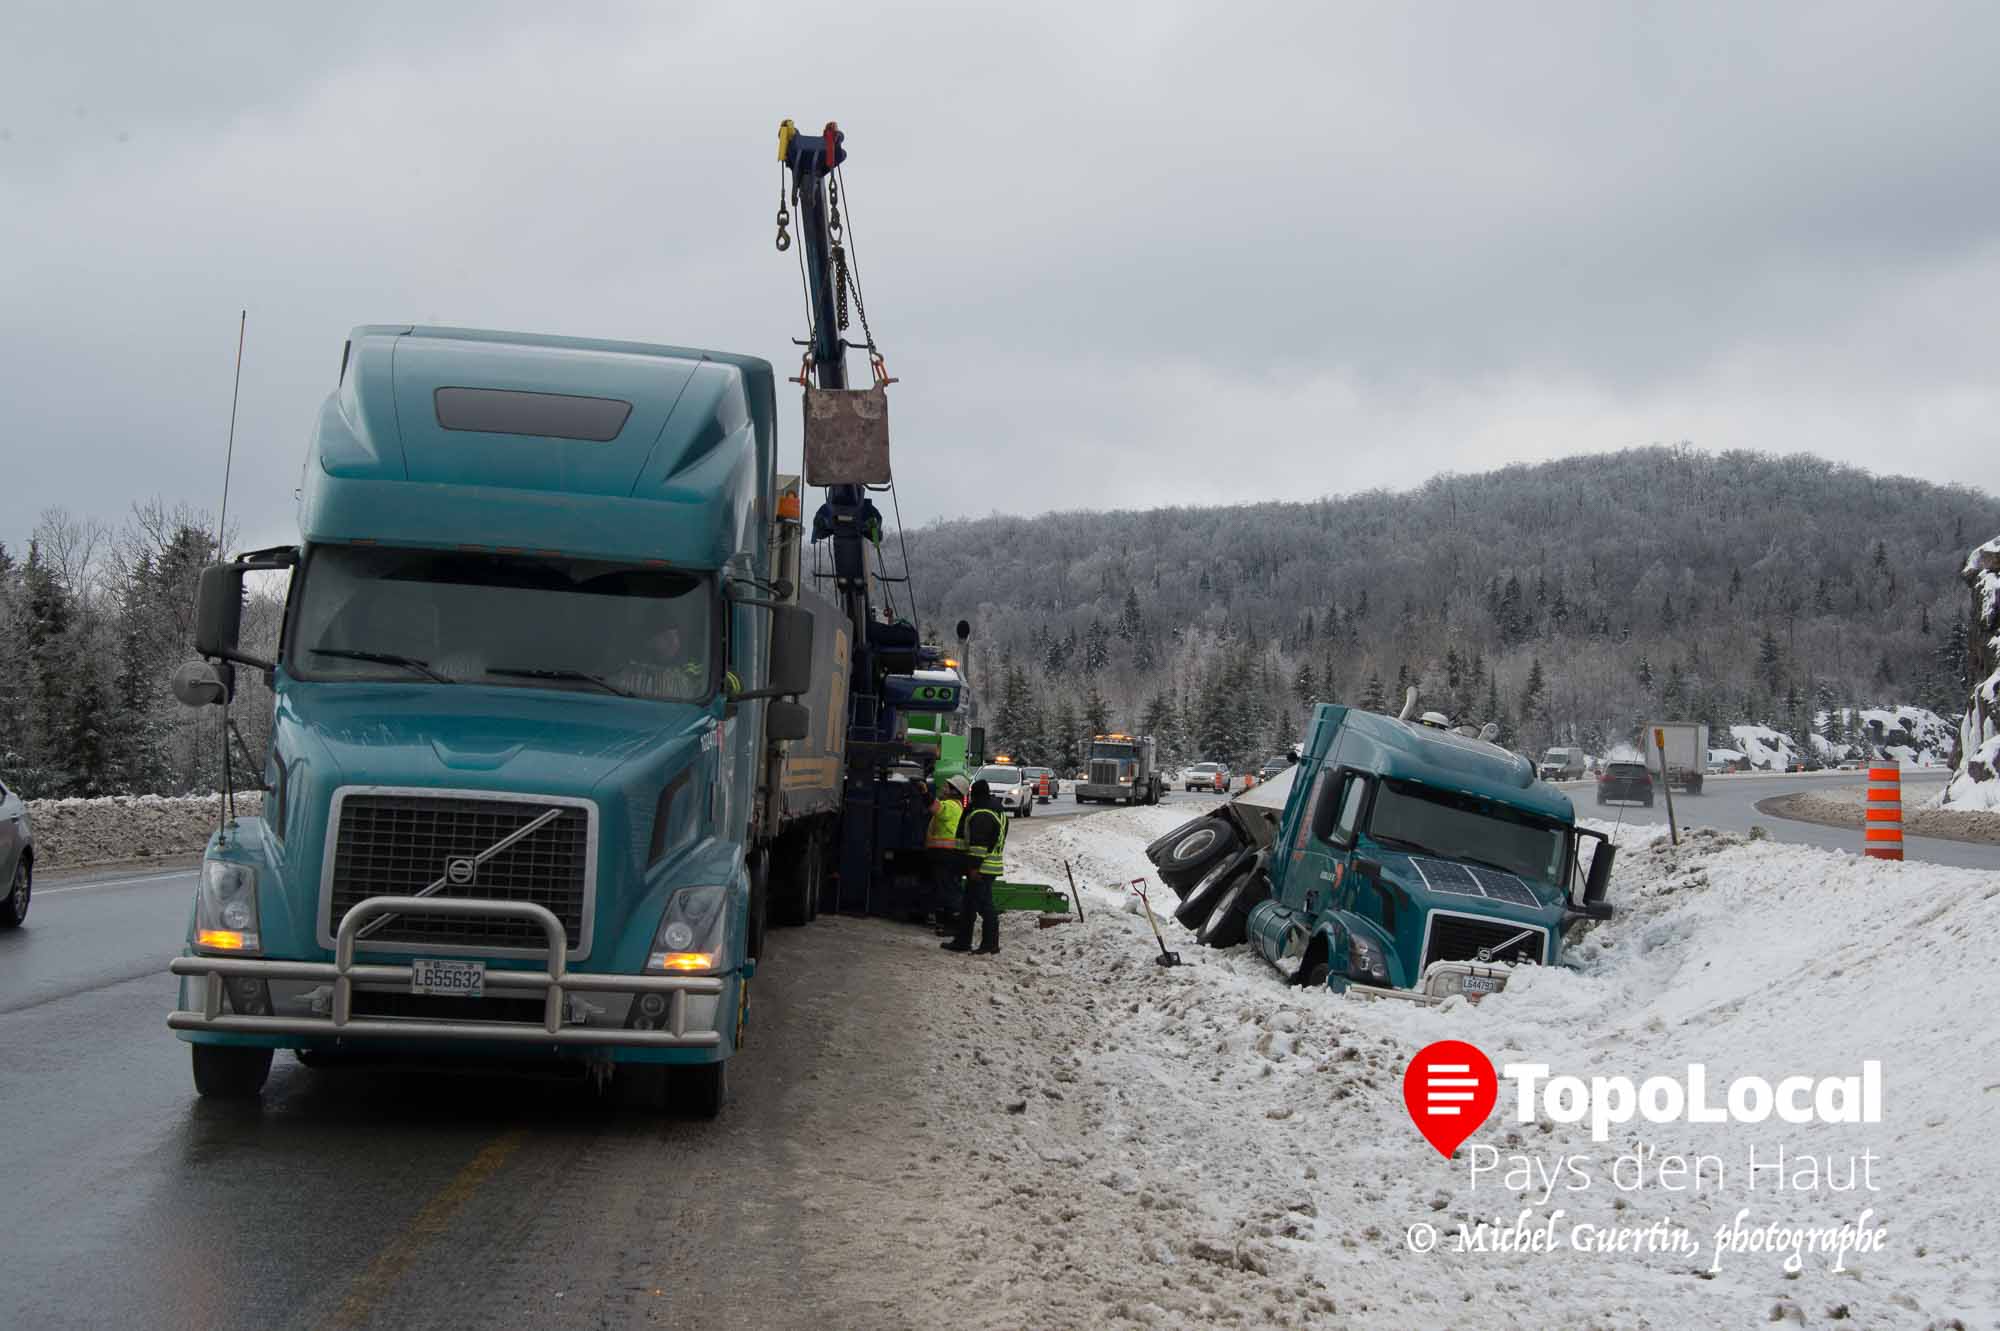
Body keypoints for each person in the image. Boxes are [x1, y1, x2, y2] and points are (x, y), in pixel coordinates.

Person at [943, 779, 1005, 955]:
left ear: (975, 794)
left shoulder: (982, 813)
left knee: (984, 905)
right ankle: (962, 941)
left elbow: (979, 844)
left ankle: (990, 944)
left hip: (981, 868)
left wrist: (974, 868)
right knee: (969, 904)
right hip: (986, 866)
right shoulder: (994, 809)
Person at [923, 778, 966, 932]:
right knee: (946, 888)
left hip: (945, 854)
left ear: (954, 791)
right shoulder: (956, 806)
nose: (943, 788)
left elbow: (935, 808)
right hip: (946, 854)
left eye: (947, 786)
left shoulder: (951, 806)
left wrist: (925, 793)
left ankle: (953, 925)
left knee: (948, 889)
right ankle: (947, 922)